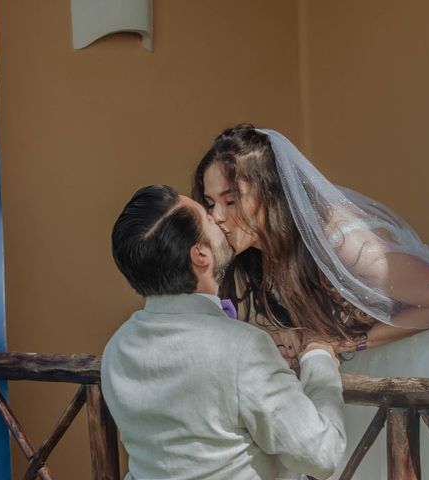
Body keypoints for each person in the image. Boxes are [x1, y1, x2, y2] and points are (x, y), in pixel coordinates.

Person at [192, 124, 429, 479]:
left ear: (271, 192)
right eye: (210, 203)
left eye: (231, 199)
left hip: (419, 351)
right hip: (360, 364)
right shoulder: (260, 251)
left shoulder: (344, 245)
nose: (218, 216)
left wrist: (349, 343)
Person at [101, 184, 346, 480]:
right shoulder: (243, 348)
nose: (219, 218)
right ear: (201, 254)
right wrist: (319, 358)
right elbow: (321, 456)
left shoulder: (116, 347)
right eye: (207, 216)